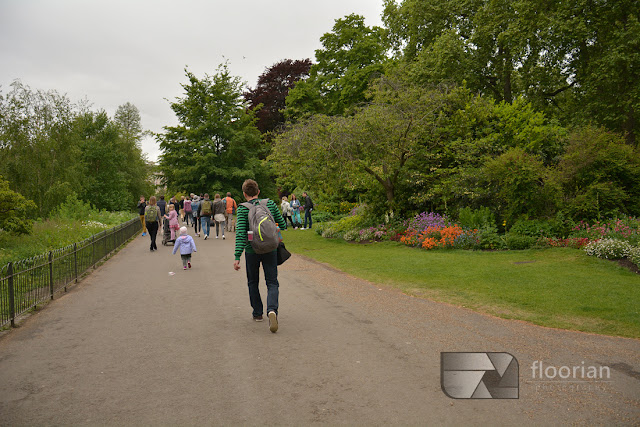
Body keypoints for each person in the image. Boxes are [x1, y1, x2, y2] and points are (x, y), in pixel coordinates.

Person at [233, 179, 286, 333]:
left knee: (252, 282)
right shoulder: (269, 204)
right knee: (272, 282)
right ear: (258, 191)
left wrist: (237, 256)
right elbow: (282, 224)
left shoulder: (242, 209)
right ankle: (272, 310)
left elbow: (241, 234)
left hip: (252, 251)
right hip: (270, 249)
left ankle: (257, 313)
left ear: (244, 194)